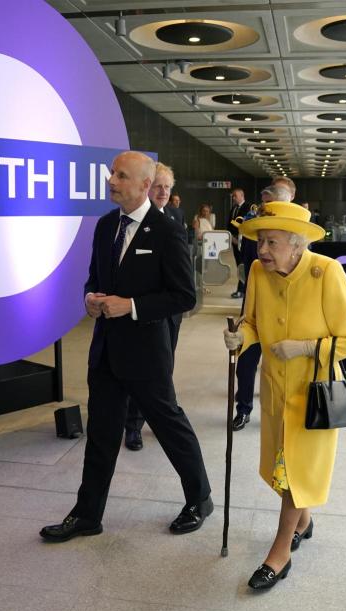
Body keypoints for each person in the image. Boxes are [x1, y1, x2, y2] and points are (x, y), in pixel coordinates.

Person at [40, 151, 213, 543]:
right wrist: (89, 299)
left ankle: (199, 499)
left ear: (143, 185)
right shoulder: (104, 227)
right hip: (105, 352)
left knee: (170, 428)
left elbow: (185, 296)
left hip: (147, 355)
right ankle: (87, 515)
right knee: (101, 434)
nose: (111, 181)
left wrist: (131, 306)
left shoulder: (167, 231)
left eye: (121, 175)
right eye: (112, 173)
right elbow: (93, 278)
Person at [223, 201, 346, 590]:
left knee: (295, 474)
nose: (261, 251)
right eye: (259, 242)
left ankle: (279, 551)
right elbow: (251, 321)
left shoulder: (326, 273)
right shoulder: (256, 271)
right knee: (280, 470)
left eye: (271, 242)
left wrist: (304, 347)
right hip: (274, 388)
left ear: (297, 245)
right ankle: (304, 522)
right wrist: (241, 337)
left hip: (313, 395)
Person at [123, 162, 184, 451]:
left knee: (164, 370)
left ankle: (158, 420)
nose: (163, 192)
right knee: (142, 371)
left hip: (170, 314)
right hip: (141, 313)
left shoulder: (174, 217)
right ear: (147, 186)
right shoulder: (133, 221)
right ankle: (132, 426)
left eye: (167, 187)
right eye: (158, 186)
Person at [231, 183, 291, 432]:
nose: (263, 211)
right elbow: (248, 258)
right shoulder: (256, 230)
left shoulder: (295, 236)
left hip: (288, 313)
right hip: (255, 307)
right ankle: (243, 409)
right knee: (246, 361)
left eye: (269, 205)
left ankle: (285, 412)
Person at [228, 188, 252, 298]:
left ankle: (242, 290)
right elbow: (229, 223)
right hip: (234, 241)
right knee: (238, 265)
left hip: (243, 241)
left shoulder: (248, 207)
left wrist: (239, 238)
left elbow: (247, 224)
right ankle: (241, 289)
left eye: (235, 196)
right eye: (233, 196)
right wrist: (231, 237)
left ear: (242, 196)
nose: (233, 198)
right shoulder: (233, 208)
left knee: (243, 265)